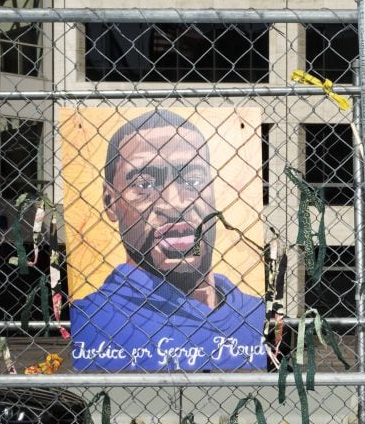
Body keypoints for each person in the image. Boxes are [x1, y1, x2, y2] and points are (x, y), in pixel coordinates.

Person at [71, 110, 266, 371]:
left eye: (193, 179)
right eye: (143, 184)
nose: (175, 204)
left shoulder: (257, 314)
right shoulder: (91, 318)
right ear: (110, 201)